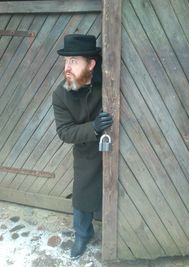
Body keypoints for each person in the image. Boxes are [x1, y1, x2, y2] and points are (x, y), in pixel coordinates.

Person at [52, 34, 113, 259]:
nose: (67, 67)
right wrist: (93, 128)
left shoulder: (109, 82)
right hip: (87, 153)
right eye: (66, 61)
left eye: (74, 61)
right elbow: (64, 132)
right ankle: (82, 234)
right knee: (82, 196)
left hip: (117, 151)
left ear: (91, 64)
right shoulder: (60, 94)